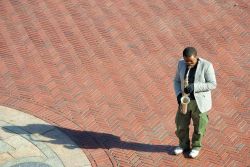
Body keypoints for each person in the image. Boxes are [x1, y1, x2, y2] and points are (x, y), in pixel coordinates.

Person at [173, 47, 217, 158]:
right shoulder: (181, 63)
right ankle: (183, 145)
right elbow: (177, 80)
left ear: (196, 57)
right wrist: (178, 94)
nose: (188, 63)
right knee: (180, 125)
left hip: (200, 103)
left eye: (191, 61)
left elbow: (212, 84)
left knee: (199, 127)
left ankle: (196, 147)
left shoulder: (207, 66)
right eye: (186, 60)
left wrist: (195, 87)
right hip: (185, 100)